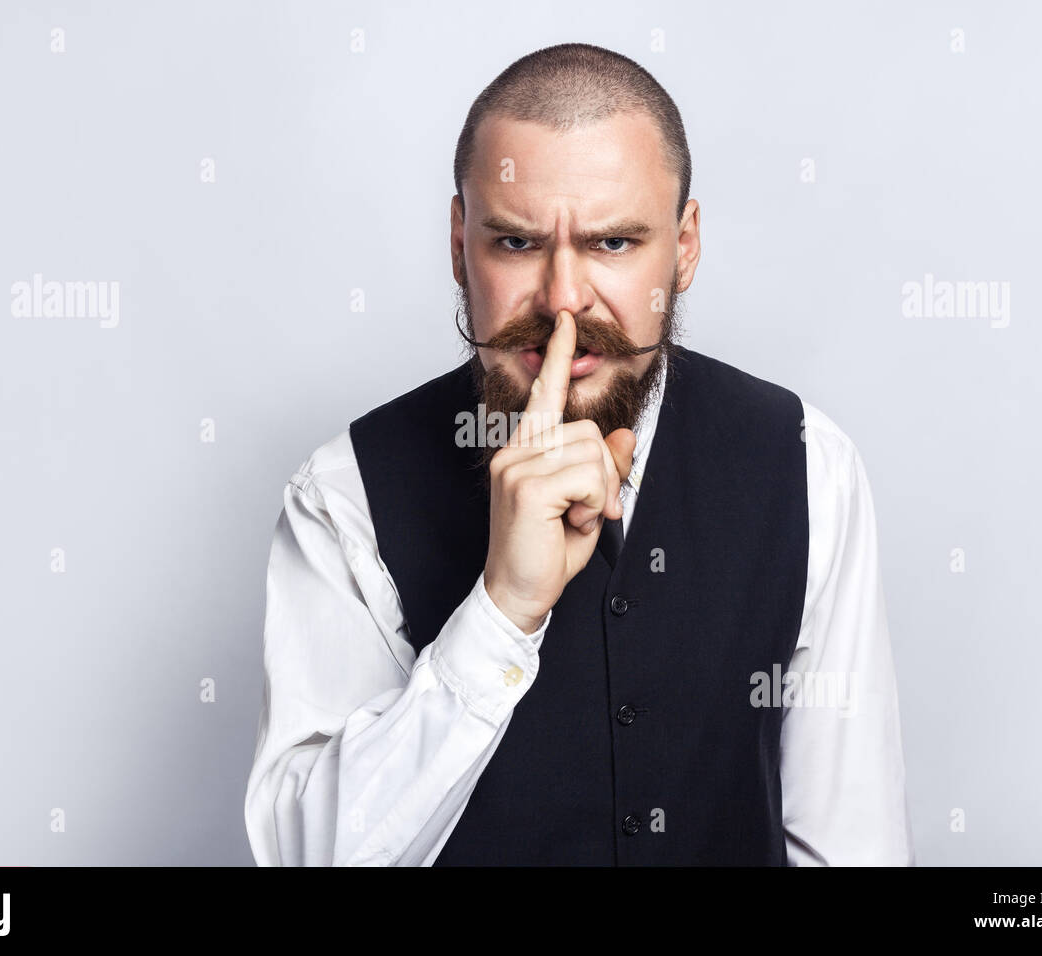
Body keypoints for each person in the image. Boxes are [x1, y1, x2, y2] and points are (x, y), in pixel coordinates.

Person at [244, 42, 913, 866]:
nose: (564, 298)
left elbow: (849, 847)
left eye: (615, 244)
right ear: (460, 245)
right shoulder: (342, 496)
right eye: (517, 245)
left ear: (686, 246)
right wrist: (499, 613)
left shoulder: (811, 465)